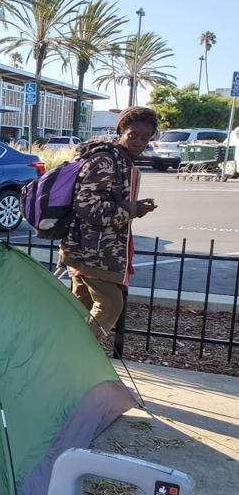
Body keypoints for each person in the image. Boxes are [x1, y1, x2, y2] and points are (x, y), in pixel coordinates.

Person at [60, 106, 158, 340]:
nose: (138, 142)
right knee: (111, 304)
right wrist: (133, 209)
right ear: (121, 132)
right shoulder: (106, 160)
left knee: (80, 308)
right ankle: (76, 355)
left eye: (145, 137)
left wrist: (134, 209)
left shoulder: (121, 161)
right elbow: (86, 207)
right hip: (92, 251)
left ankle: (59, 352)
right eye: (133, 135)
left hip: (95, 249)